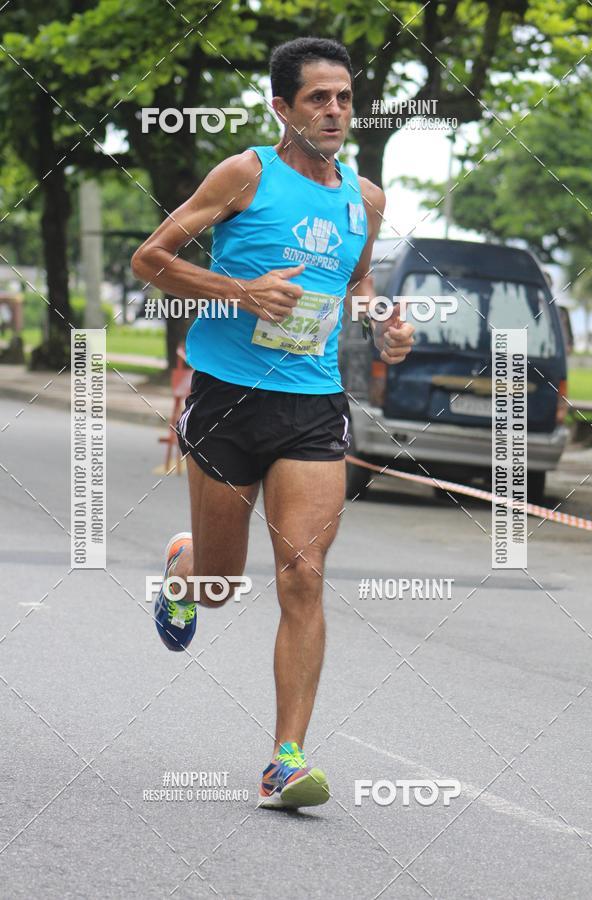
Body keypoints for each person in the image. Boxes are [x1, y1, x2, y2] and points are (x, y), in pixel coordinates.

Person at [131, 36, 414, 810]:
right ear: (282, 107)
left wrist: (380, 322)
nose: (334, 110)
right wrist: (239, 291)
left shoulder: (367, 198)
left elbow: (349, 286)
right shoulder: (245, 174)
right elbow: (150, 257)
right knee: (223, 585)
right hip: (227, 398)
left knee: (303, 573)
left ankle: (285, 760)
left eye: (345, 98)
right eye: (318, 98)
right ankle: (189, 569)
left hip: (313, 405)